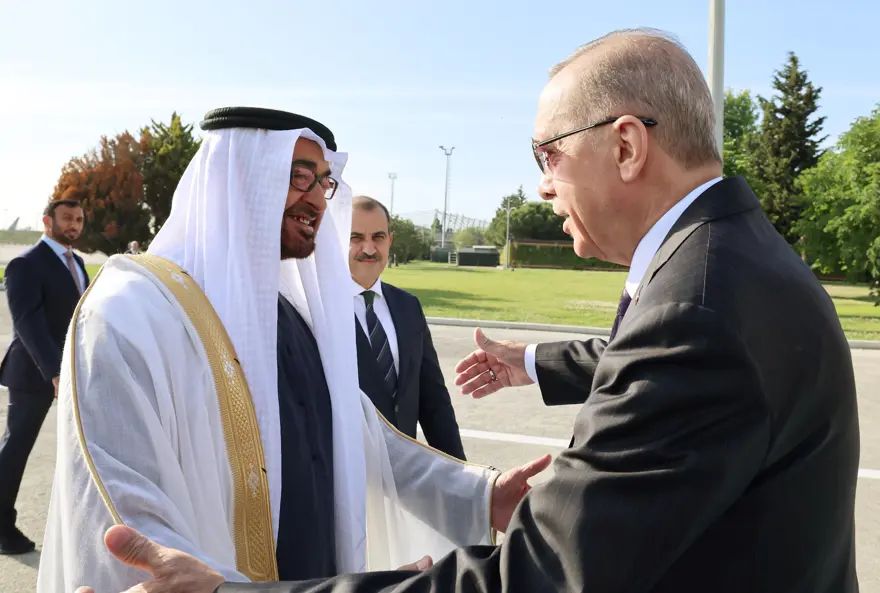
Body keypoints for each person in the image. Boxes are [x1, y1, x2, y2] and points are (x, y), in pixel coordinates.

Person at [84, 28, 860, 593]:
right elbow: (129, 522)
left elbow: (539, 572)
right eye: (294, 177)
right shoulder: (136, 311)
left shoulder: (698, 301)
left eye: (547, 154)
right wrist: (486, 490)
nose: (542, 186)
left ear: (626, 147)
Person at [41, 106, 549, 593]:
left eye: (323, 183)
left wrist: (483, 494)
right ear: (240, 180)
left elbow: (361, 436)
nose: (319, 202)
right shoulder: (131, 311)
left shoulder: (291, 315)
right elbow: (126, 509)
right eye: (298, 177)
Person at [0, 199, 87, 555]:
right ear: (47, 221)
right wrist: (54, 372)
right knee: (15, 450)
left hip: (74, 373)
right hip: (33, 373)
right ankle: (2, 529)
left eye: (79, 219)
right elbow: (28, 323)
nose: (74, 225)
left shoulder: (77, 262)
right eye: (67, 218)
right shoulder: (26, 263)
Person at [350, 195, 465, 459]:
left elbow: (433, 400)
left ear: (390, 241)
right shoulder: (316, 311)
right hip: (348, 474)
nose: (369, 249)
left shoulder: (408, 306)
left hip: (404, 472)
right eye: (355, 238)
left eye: (378, 237)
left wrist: (459, 472)